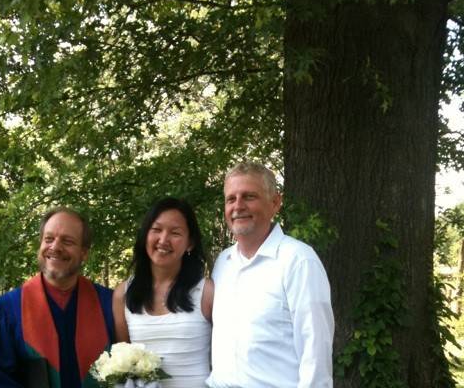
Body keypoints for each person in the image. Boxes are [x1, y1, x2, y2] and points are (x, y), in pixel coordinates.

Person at [206, 162, 334, 388]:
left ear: (275, 203)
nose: (238, 206)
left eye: (249, 197)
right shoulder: (223, 264)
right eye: (231, 199)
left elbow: (315, 352)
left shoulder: (298, 261)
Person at [0, 207, 114, 388]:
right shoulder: (7, 310)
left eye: (68, 241)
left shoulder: (109, 305)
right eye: (49, 239)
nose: (55, 247)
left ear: (84, 253)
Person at [113, 197, 214, 388]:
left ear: (190, 243)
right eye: (156, 230)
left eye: (175, 233)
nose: (163, 239)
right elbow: (124, 364)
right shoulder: (123, 294)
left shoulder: (207, 292)